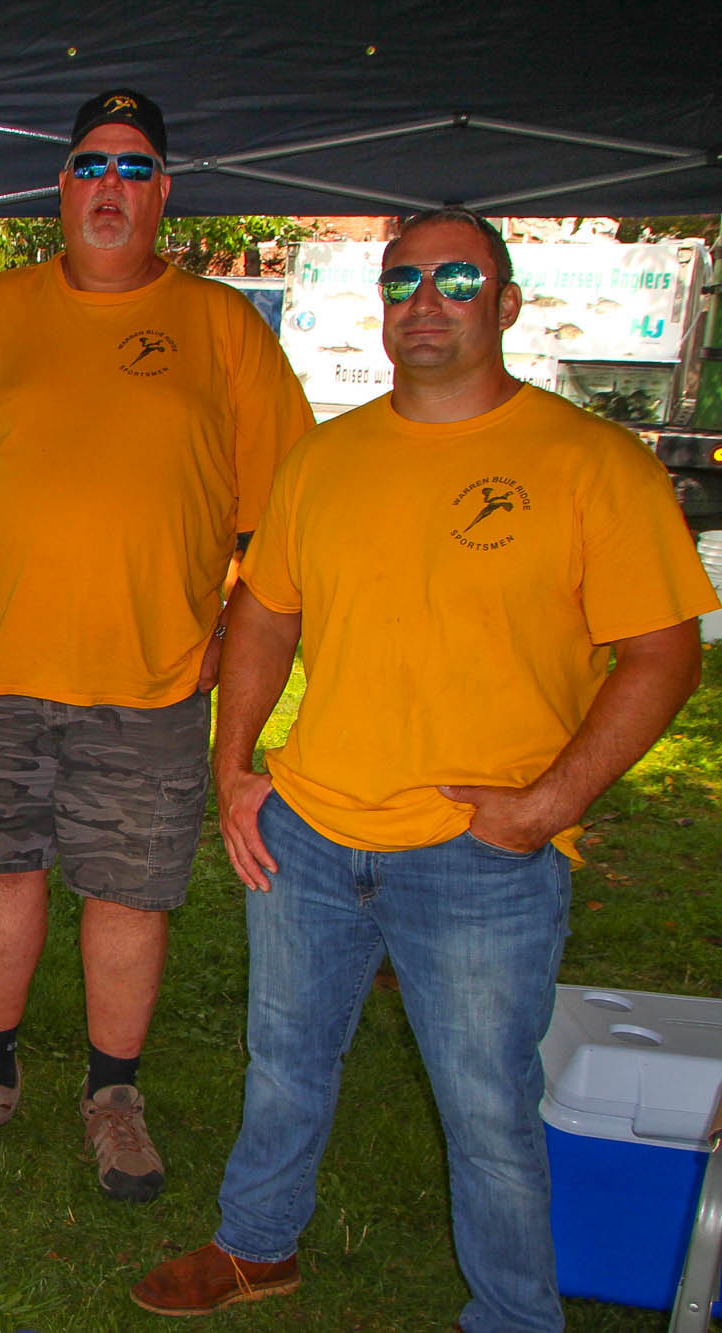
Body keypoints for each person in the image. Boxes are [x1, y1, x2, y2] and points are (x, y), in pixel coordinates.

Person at [131, 208, 715, 1327]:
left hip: (479, 854)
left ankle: (512, 1314)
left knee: (488, 1110)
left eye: (457, 278)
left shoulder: (590, 462)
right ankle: (257, 1243)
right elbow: (265, 614)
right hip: (307, 834)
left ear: (506, 303)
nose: (426, 301)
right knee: (283, 1063)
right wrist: (233, 766)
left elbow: (663, 654)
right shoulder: (325, 458)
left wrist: (547, 805)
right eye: (402, 281)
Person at [0, 89, 313, 1197]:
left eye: (135, 166)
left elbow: (289, 501)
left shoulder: (221, 326)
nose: (112, 185)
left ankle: (113, 1097)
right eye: (93, 165)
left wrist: (235, 609)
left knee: (128, 892)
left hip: (150, 677)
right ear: (62, 187)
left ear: (163, 192)